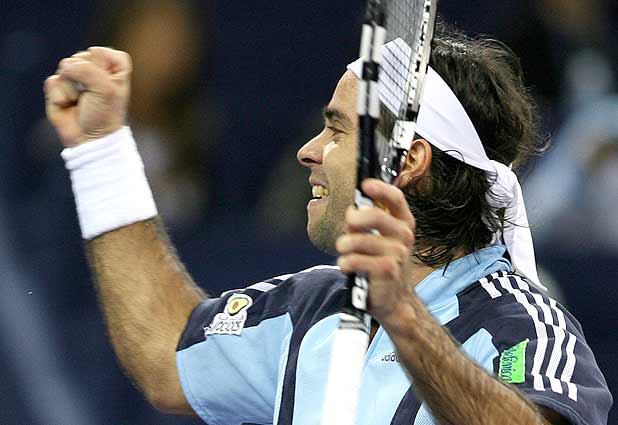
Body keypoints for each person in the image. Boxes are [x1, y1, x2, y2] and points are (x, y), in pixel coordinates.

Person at [43, 26, 611, 425]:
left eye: (337, 130)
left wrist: (403, 317)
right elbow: (166, 354)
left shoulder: (522, 324)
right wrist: (101, 152)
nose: (309, 151)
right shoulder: (309, 308)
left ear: (408, 161)